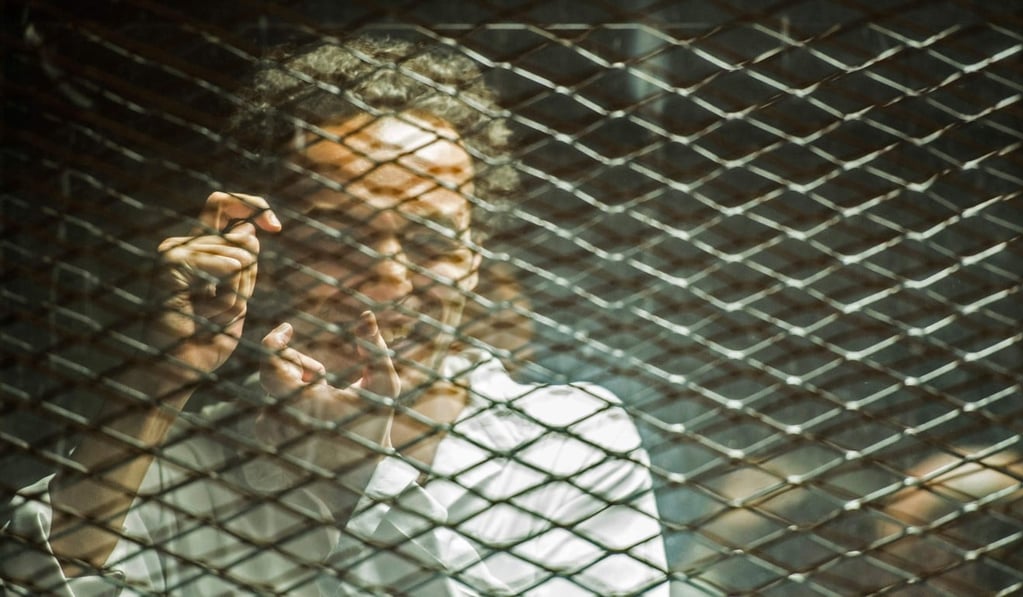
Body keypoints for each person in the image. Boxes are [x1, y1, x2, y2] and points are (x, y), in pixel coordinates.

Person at [2, 35, 668, 595]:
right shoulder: (181, 465)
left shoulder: (566, 439)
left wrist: (361, 476)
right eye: (338, 237)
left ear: (474, 258)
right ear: (264, 248)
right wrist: (158, 382)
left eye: (431, 240)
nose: (390, 278)